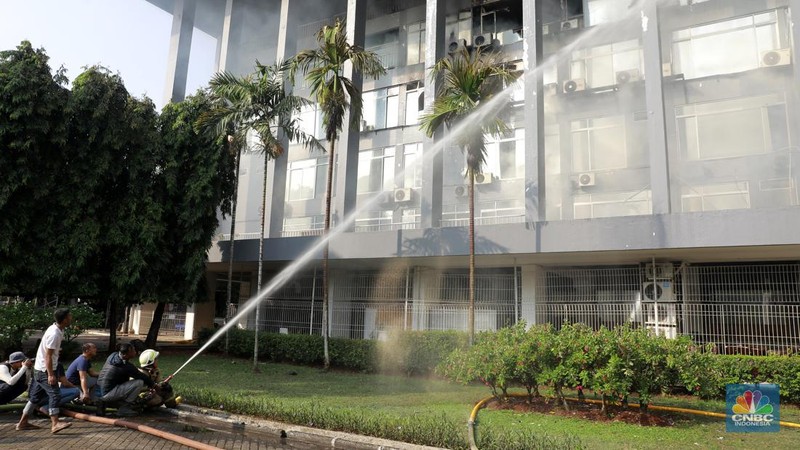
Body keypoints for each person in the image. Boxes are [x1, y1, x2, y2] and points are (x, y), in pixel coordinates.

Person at [16, 308, 73, 433]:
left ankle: (23, 422)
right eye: (69, 316)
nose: (71, 318)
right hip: (44, 370)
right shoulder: (55, 333)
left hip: (39, 368)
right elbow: (48, 356)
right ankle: (55, 423)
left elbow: (49, 353)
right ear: (64, 320)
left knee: (34, 398)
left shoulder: (56, 329)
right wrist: (51, 375)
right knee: (55, 394)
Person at [97, 342, 156, 417]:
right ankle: (124, 408)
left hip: (100, 390)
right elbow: (141, 376)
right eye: (133, 351)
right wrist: (154, 385)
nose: (135, 352)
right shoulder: (125, 366)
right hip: (107, 394)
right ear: (125, 354)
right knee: (139, 382)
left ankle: (111, 403)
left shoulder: (113, 356)